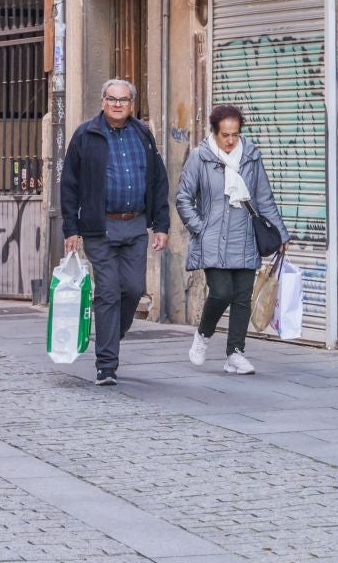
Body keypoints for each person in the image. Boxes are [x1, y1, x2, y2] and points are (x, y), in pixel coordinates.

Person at [58, 77, 168, 386]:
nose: (117, 104)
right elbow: (69, 184)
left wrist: (161, 225)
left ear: (131, 104)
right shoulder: (86, 135)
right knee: (107, 291)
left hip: (134, 224)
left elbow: (159, 181)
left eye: (123, 100)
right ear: (103, 101)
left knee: (133, 289)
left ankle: (111, 334)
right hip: (99, 227)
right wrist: (71, 228)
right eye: (111, 99)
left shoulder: (143, 134)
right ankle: (106, 365)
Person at [175, 104, 287, 376]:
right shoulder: (200, 158)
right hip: (212, 239)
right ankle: (203, 335)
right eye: (224, 135)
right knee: (222, 292)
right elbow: (183, 198)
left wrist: (281, 233)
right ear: (214, 132)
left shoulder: (251, 156)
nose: (229, 140)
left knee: (242, 298)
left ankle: (235, 354)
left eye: (235, 134)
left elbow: (263, 198)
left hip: (246, 236)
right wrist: (200, 228)